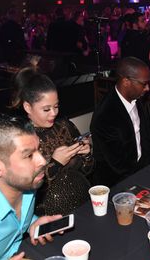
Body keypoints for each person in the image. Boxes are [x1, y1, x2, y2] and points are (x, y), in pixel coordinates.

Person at [10, 67, 94, 216]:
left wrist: (86, 155)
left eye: (56, 106)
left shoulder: (65, 126)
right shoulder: (22, 140)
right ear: (28, 107)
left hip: (85, 203)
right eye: (46, 109)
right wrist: (55, 164)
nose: (54, 113)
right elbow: (26, 191)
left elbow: (87, 172)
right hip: (50, 218)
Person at [0, 114, 63, 260]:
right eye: (28, 156)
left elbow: (14, 224)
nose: (43, 161)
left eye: (38, 150)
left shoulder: (27, 185)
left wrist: (34, 223)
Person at [90, 57, 150, 187]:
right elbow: (119, 166)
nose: (147, 88)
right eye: (144, 83)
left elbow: (146, 141)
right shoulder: (105, 116)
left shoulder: (136, 99)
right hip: (116, 184)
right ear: (126, 82)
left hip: (140, 171)